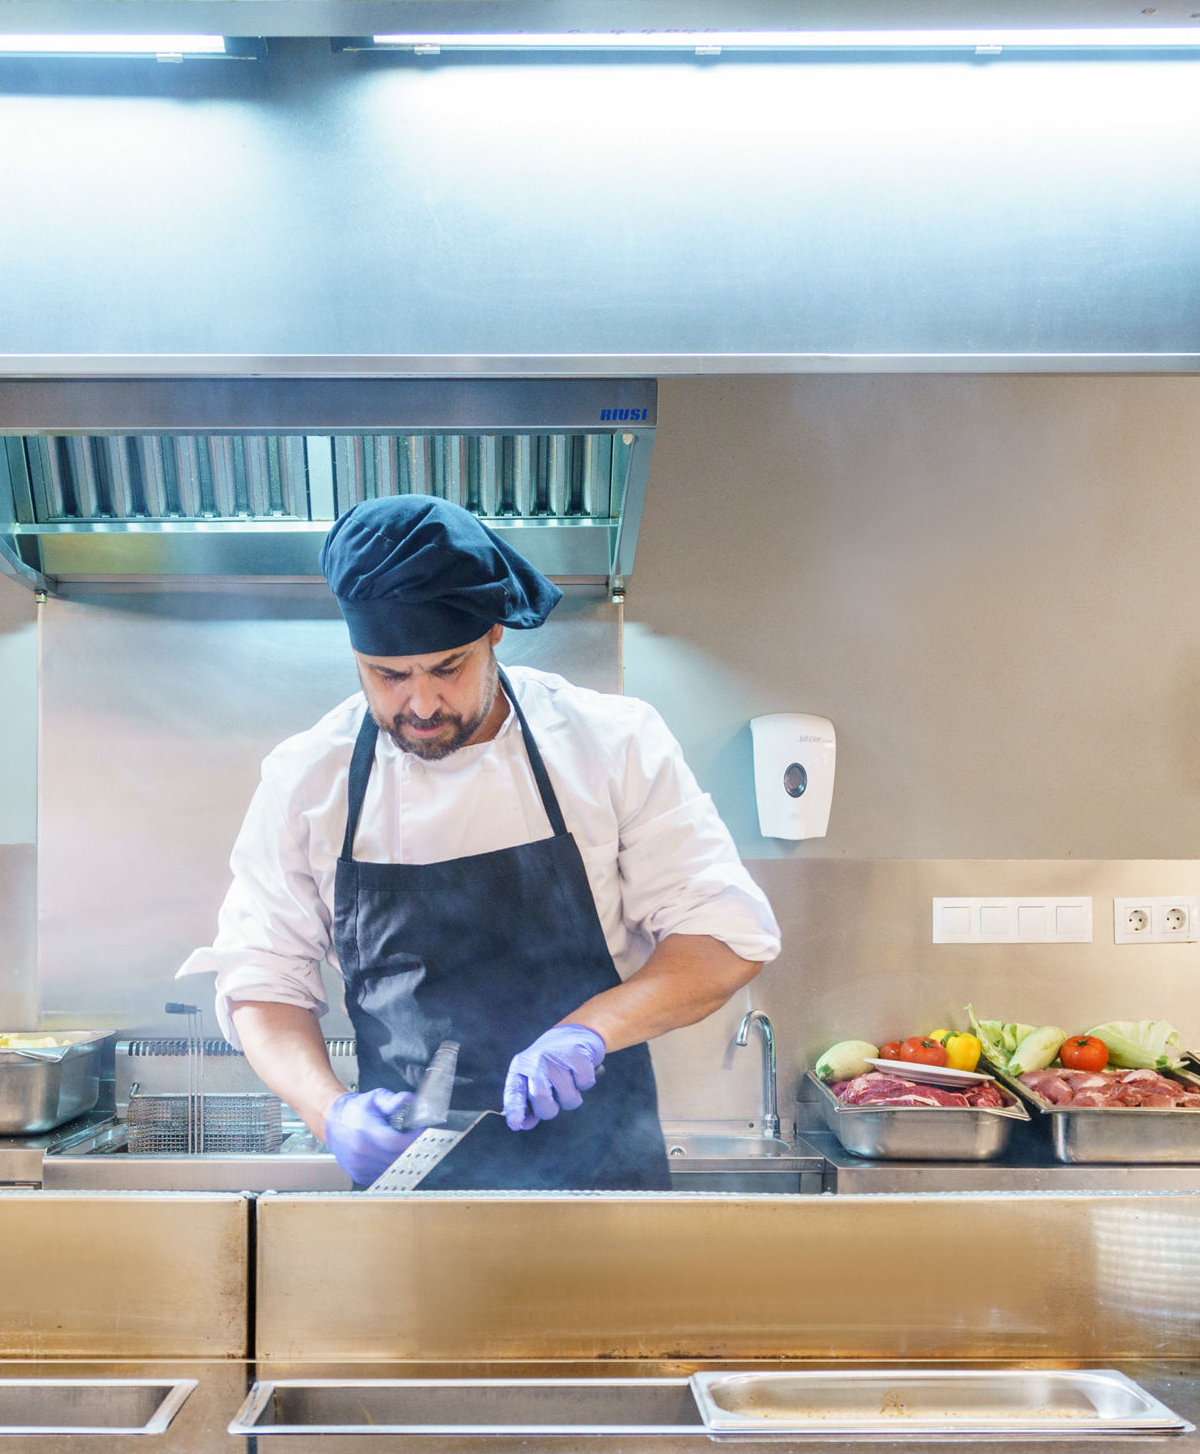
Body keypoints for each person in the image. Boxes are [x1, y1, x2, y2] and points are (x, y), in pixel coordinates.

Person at [178, 494, 780, 1189]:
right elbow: (261, 978)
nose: (422, 704)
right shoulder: (309, 778)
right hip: (409, 1187)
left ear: (494, 632)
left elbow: (725, 937)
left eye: (447, 668)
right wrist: (328, 1111)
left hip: (602, 1178)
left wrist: (590, 1030)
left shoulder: (608, 744)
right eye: (389, 675)